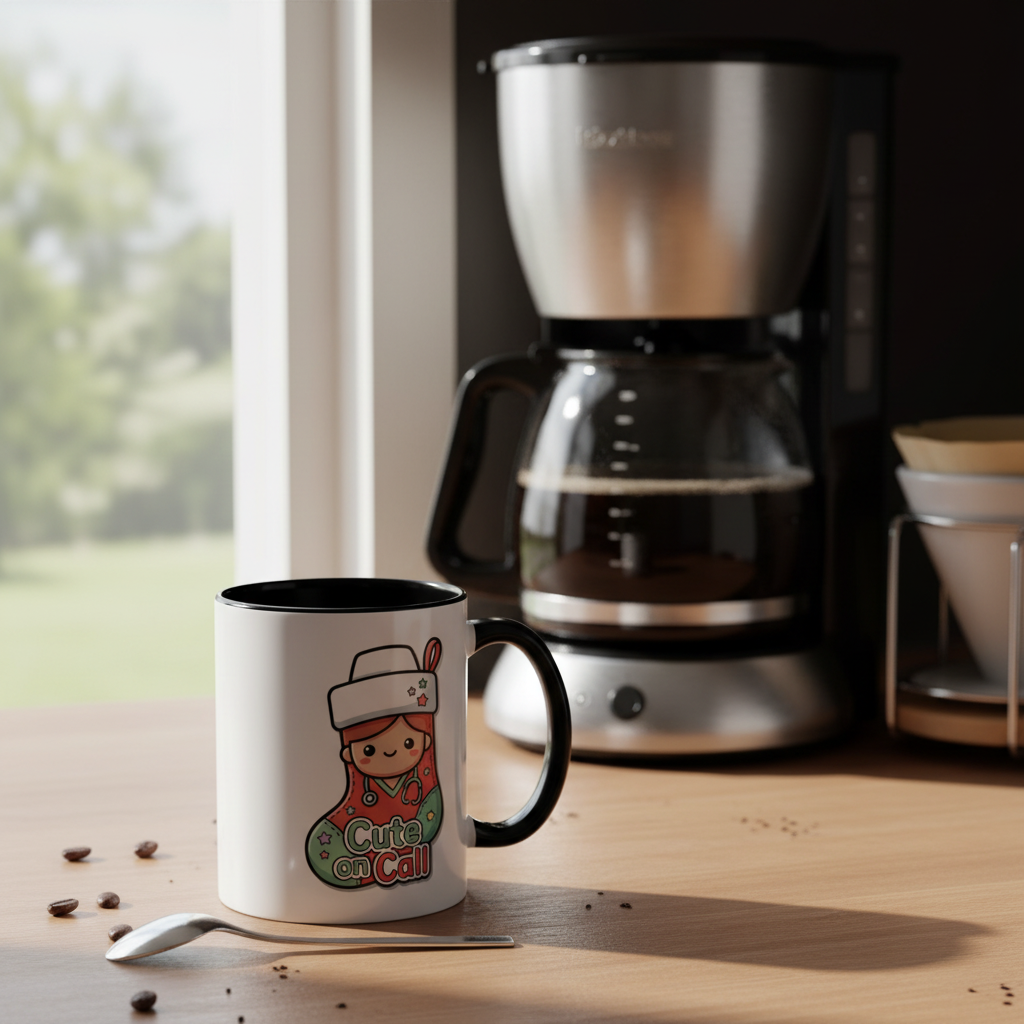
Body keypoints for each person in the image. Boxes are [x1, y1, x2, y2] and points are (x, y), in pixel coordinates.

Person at [306, 640, 443, 890]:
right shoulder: (363, 788)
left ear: (425, 741)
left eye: (408, 741)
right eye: (368, 749)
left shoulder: (423, 790)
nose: (390, 751)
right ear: (349, 754)